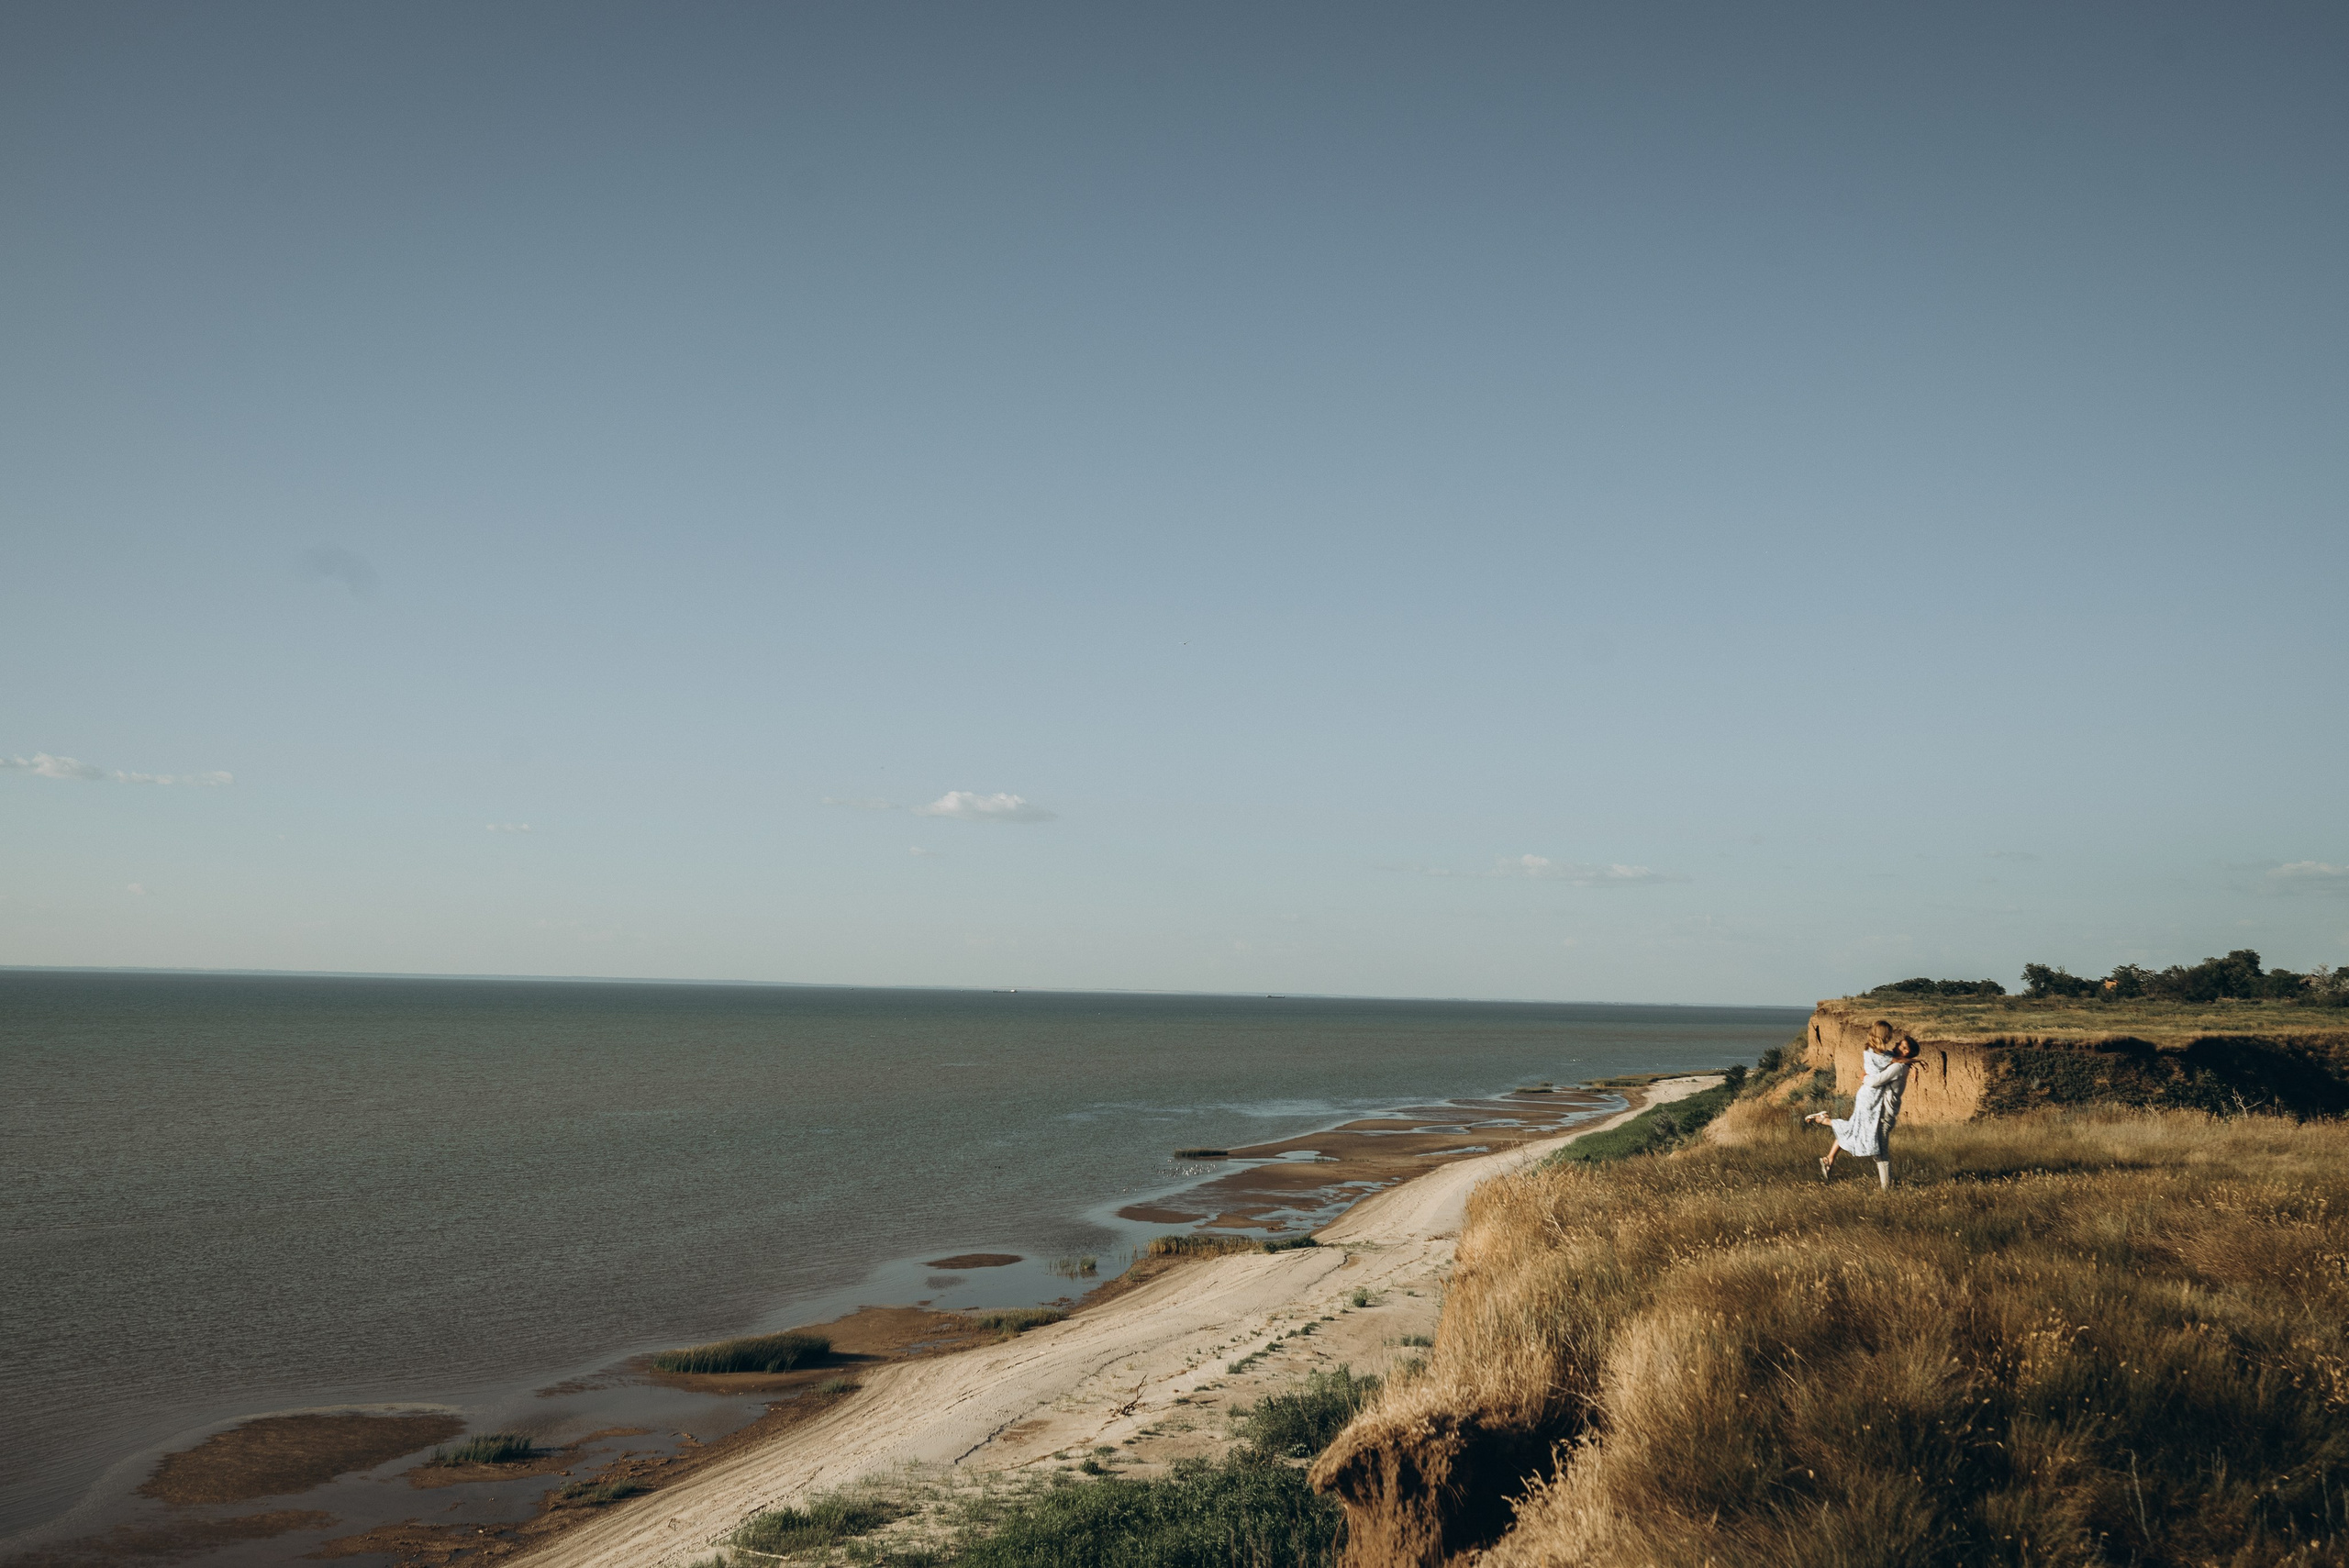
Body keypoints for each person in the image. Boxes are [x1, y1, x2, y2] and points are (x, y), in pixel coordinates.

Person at [1806, 1020, 1919, 1189]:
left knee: (1855, 1130)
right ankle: (1887, 1190)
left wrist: (1912, 1063)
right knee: (1879, 1152)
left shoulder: (1886, 1059)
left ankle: (1825, 1125)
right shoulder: (1894, 1064)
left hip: (1873, 1102)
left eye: (1901, 1046)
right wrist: (1866, 1077)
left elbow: (1884, 1067)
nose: (1895, 1044)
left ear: (1907, 1052)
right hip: (1878, 1108)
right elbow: (1875, 1081)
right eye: (1895, 1042)